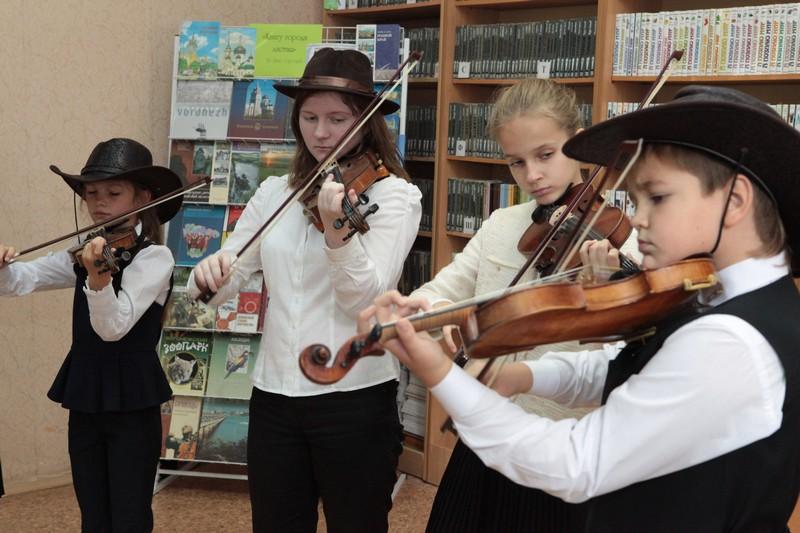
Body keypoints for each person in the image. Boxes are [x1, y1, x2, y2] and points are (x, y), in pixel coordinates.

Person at [360, 85, 800, 532]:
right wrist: (521, 375)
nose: (639, 218)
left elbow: (578, 462)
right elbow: (624, 365)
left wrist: (440, 373)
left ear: (736, 201)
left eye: (658, 197)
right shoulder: (715, 297)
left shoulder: (731, 339)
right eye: (637, 201)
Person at [188, 48, 422, 533]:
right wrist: (208, 274)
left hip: (354, 396)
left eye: (337, 119)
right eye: (310, 117)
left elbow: (364, 300)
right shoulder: (275, 193)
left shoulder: (395, 196)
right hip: (275, 395)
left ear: (367, 123)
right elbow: (226, 279)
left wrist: (338, 235)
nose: (321, 133)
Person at [410, 78, 639, 532]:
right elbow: (437, 292)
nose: (532, 174)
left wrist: (607, 290)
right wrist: (434, 311)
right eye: (517, 161)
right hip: (485, 434)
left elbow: (629, 358)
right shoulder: (502, 224)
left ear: (578, 144)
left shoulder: (624, 243)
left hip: (562, 449)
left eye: (546, 154)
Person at [0, 138, 184, 531]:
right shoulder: (84, 251)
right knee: (93, 512)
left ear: (142, 198)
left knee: (130, 513)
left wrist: (99, 281)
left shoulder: (155, 257)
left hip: (133, 397)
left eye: (113, 194)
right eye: (91, 193)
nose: (99, 203)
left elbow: (113, 328)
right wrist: (3, 267)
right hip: (86, 392)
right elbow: (24, 279)